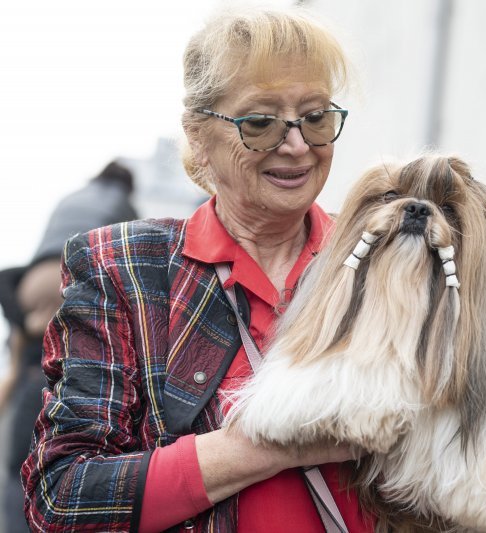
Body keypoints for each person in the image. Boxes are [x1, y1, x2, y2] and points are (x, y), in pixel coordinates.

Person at [21, 6, 372, 533]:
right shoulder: (124, 269)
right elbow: (64, 497)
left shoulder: (379, 259)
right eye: (260, 122)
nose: (297, 145)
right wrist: (269, 444)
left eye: (316, 117)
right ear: (199, 136)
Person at [0, 161, 138, 532]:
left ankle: (22, 356)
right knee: (61, 365)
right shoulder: (126, 206)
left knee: (24, 355)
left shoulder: (71, 196)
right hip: (67, 281)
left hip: (28, 281)